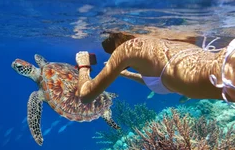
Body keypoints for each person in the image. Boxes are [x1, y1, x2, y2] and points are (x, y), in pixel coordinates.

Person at [74, 32, 235, 107]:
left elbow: (86, 96)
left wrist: (83, 65)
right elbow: (162, 80)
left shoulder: (129, 48)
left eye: (113, 53)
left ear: (118, 41)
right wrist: (126, 74)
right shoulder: (167, 38)